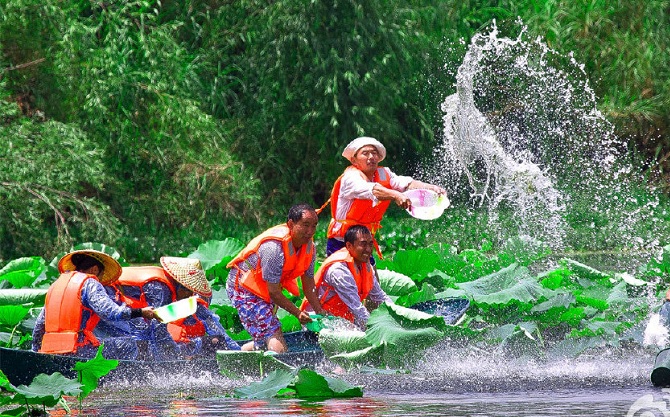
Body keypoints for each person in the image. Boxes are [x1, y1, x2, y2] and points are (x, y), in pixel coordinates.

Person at [226, 203, 327, 353]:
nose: (310, 231)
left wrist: (319, 310)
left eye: (314, 226)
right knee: (272, 330)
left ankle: (241, 354)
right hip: (243, 288)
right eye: (305, 225)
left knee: (263, 336)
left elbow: (308, 283)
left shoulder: (310, 248)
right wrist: (297, 313)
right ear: (291, 224)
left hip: (266, 289)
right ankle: (278, 365)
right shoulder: (274, 248)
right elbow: (274, 292)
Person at [325, 136, 446, 260]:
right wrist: (396, 195)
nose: (371, 157)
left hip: (364, 240)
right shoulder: (350, 177)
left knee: (370, 278)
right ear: (354, 160)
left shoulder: (384, 173)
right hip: (342, 240)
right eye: (365, 153)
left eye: (374, 153)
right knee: (343, 277)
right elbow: (372, 190)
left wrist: (430, 188)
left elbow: (405, 183)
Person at [32, 249, 155, 359]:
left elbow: (39, 325)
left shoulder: (57, 285)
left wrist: (36, 352)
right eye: (100, 276)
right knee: (128, 344)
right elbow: (111, 313)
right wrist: (141, 312)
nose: (100, 281)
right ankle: (115, 381)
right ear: (94, 270)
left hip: (50, 349)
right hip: (78, 349)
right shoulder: (90, 283)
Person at [110, 256, 240, 358]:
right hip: (111, 298)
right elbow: (158, 328)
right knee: (142, 337)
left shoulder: (172, 288)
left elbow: (208, 319)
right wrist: (174, 356)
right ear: (179, 284)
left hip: (129, 308)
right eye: (188, 291)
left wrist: (235, 350)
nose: (190, 295)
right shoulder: (162, 290)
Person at [301, 225, 391, 330]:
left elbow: (380, 296)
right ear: (349, 246)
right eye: (363, 244)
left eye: (371, 244)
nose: (368, 249)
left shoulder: (366, 266)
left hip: (342, 320)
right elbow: (357, 308)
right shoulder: (339, 271)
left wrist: (399, 314)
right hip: (318, 320)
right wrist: (377, 330)